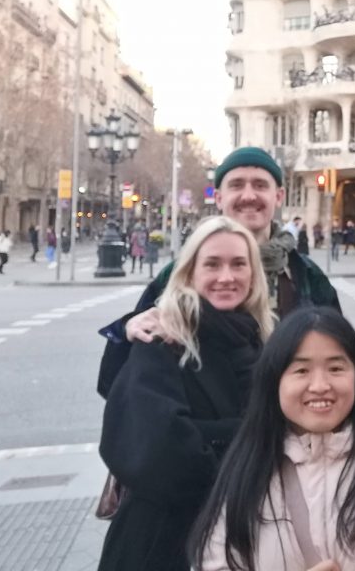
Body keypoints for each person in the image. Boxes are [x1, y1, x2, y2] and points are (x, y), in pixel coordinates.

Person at [190, 307, 355, 570]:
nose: (320, 386)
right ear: (274, 381)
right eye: (301, 371)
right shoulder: (246, 463)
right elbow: (214, 562)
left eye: (335, 368)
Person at [97, 215, 274, 571]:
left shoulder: (265, 340)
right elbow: (160, 451)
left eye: (239, 264)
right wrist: (255, 441)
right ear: (190, 272)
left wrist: (213, 434)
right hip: (163, 546)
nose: (227, 276)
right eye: (212, 264)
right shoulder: (163, 338)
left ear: (254, 274)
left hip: (245, 541)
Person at [97, 146, 341, 399]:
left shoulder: (307, 276)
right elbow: (119, 384)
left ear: (278, 196)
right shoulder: (180, 273)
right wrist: (127, 331)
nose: (249, 195)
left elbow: (339, 361)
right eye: (236, 185)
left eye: (260, 185)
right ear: (219, 197)